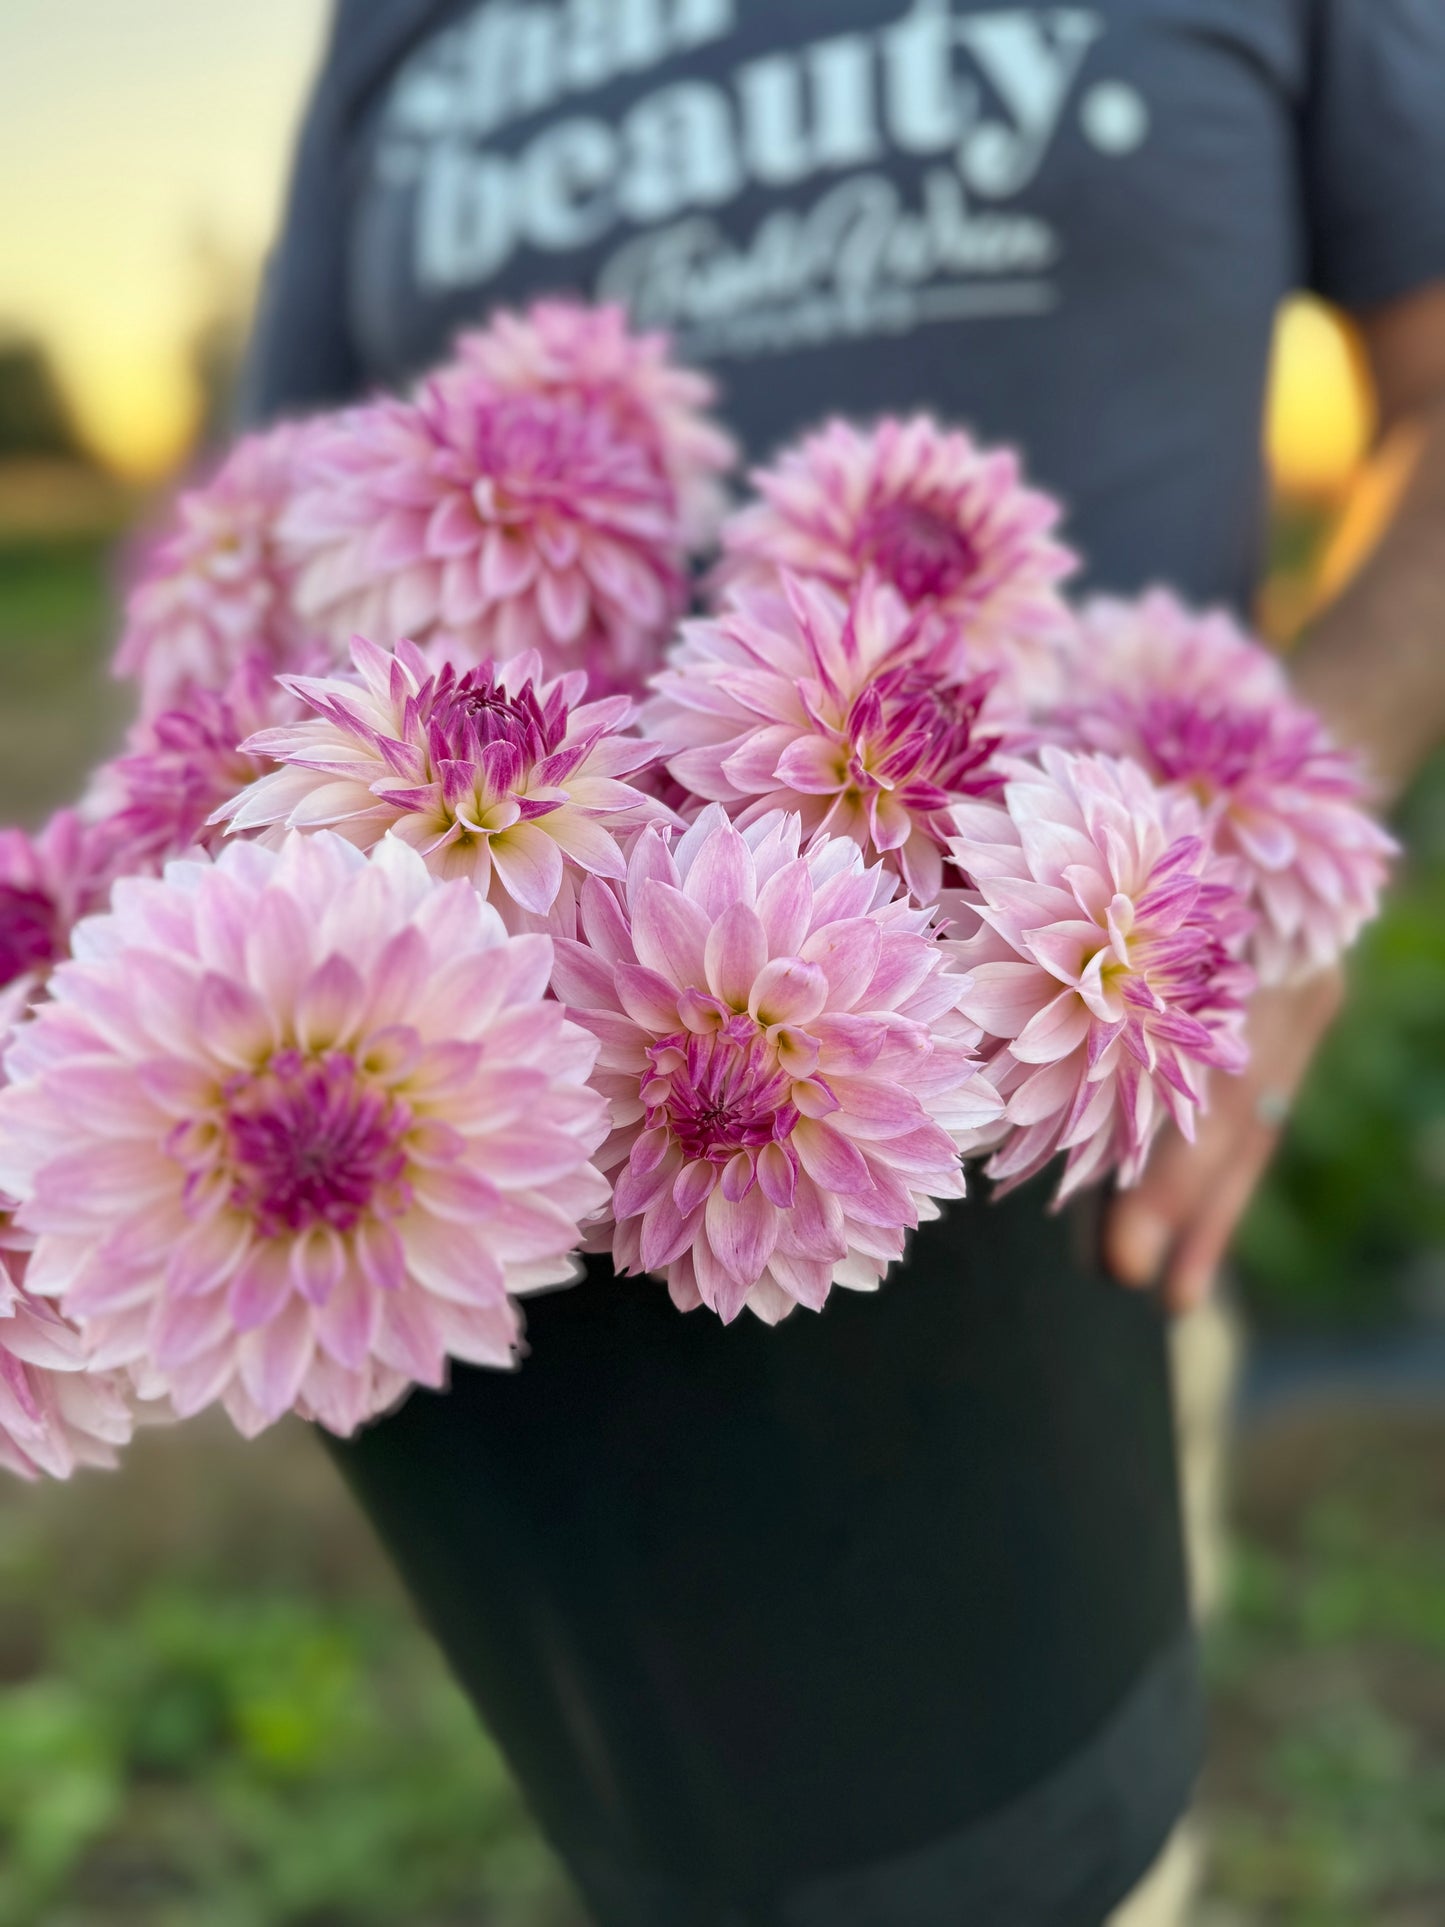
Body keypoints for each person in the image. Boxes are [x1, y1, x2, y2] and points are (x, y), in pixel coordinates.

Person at [246, 3, 1445, 1921]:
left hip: (1057, 1183)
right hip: (524, 1364)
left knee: (1056, 1865)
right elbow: (283, 498)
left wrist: (1292, 811)